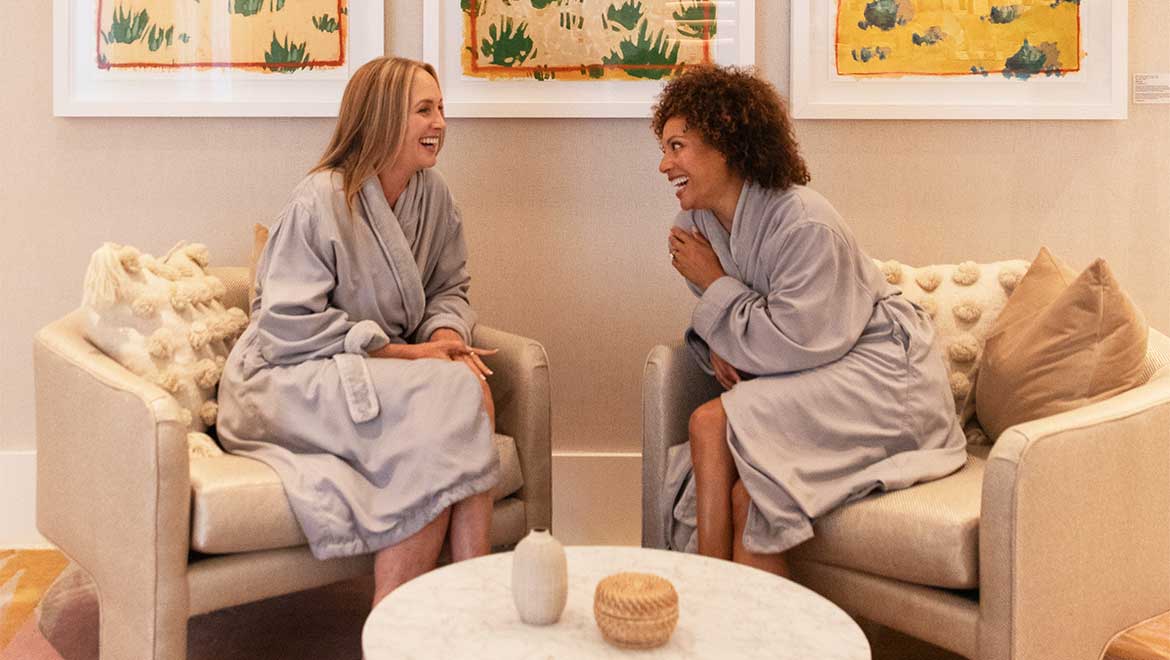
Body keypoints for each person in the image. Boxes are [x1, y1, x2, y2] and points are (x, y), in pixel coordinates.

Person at [655, 65, 966, 576]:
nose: (665, 165)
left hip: (882, 377)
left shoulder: (804, 223)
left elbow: (797, 341)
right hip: (819, 368)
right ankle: (726, 607)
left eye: (677, 147)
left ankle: (706, 587)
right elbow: (734, 319)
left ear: (725, 143)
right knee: (752, 498)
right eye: (664, 149)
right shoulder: (695, 226)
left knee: (710, 421)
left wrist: (714, 284)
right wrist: (717, 340)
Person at [217, 57, 499, 605]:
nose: (440, 123)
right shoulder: (320, 198)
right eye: (424, 110)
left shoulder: (433, 195)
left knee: (464, 383)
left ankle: (469, 599)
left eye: (441, 108)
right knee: (452, 395)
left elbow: (449, 289)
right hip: (286, 375)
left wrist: (444, 339)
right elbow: (285, 325)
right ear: (384, 116)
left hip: (376, 367)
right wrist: (403, 353)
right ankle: (413, 608)